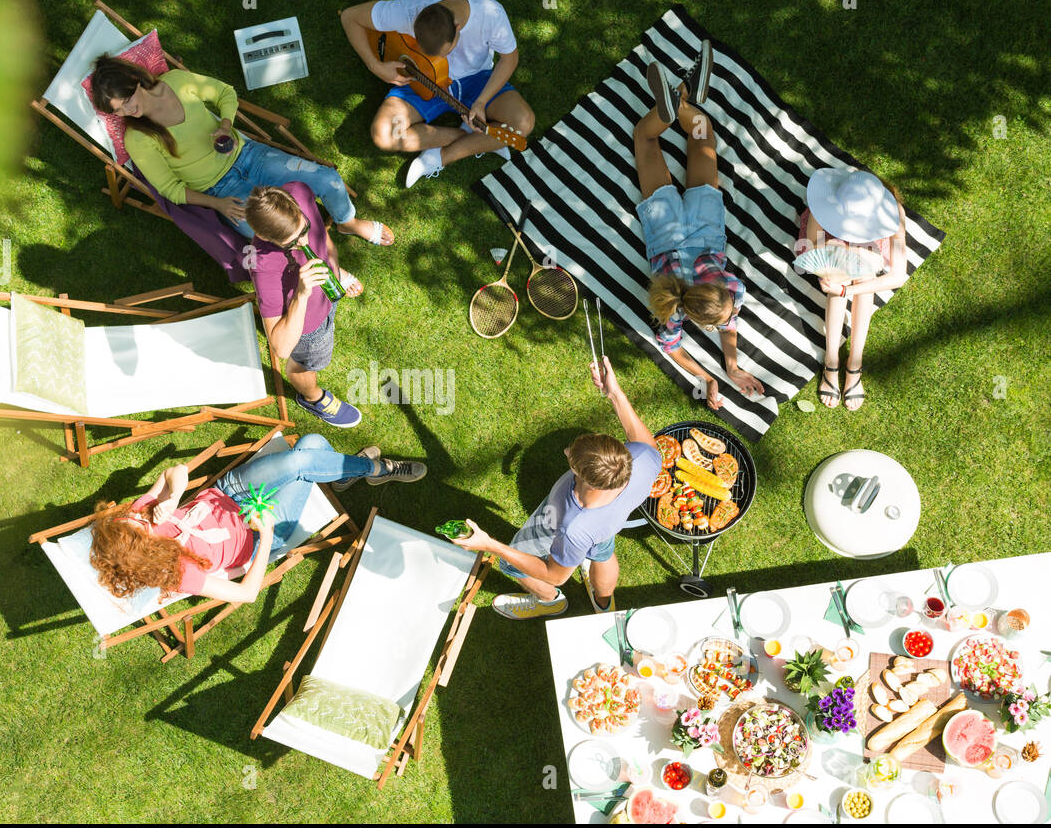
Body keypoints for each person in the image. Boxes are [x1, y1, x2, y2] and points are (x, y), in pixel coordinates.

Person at [89, 435, 427, 605]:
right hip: (258, 529)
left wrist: (173, 497)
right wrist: (265, 536)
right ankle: (378, 470)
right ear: (143, 551)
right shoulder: (176, 573)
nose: (139, 518)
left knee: (310, 447)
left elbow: (175, 471)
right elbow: (247, 593)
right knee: (309, 452)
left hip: (229, 492)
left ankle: (354, 473)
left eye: (131, 521)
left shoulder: (138, 518)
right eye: (140, 528)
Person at [89, 56, 393, 245]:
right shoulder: (137, 138)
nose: (128, 111)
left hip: (249, 154)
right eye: (119, 111)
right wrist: (217, 204)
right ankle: (327, 262)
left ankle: (347, 223)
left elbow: (224, 93)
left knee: (326, 179)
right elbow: (171, 189)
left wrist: (224, 125)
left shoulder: (178, 82)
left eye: (127, 101)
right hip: (219, 189)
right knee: (267, 233)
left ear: (133, 82)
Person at [452, 359, 660, 618]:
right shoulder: (642, 459)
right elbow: (643, 439)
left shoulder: (572, 528)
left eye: (571, 458)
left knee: (510, 565)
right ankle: (603, 602)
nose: (565, 451)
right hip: (606, 527)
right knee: (603, 551)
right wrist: (614, 393)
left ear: (588, 479)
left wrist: (491, 545)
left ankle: (550, 602)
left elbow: (554, 574)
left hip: (559, 529)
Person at [638, 44, 765, 411]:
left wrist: (725, 370)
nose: (731, 321)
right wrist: (718, 372)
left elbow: (727, 321)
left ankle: (680, 105)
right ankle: (676, 102)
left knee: (702, 136)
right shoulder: (673, 309)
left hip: (706, 229)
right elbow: (672, 346)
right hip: (665, 233)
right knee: (644, 140)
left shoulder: (731, 288)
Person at [340, 0, 535, 188]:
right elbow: (349, 17)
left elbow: (509, 59)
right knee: (384, 134)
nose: (442, 58)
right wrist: (376, 67)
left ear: (457, 28)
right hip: (421, 81)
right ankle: (474, 138)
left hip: (477, 80)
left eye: (446, 52)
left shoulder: (490, 14)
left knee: (523, 123)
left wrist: (481, 102)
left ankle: (439, 157)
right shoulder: (409, 10)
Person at [244, 184, 365, 427]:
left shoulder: (300, 191)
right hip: (310, 327)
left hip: (328, 295)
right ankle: (313, 398)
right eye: (293, 242)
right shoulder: (262, 264)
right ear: (267, 238)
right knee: (307, 364)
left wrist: (334, 266)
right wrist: (301, 294)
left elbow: (321, 234)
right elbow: (281, 348)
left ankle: (336, 276)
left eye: (305, 229)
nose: (305, 241)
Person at [794, 168, 908, 411]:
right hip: (829, 242)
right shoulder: (823, 204)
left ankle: (854, 363)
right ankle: (832, 360)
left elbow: (898, 276)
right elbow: (815, 247)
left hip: (867, 250)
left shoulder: (894, 213)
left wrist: (847, 291)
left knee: (863, 276)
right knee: (839, 272)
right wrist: (834, 276)